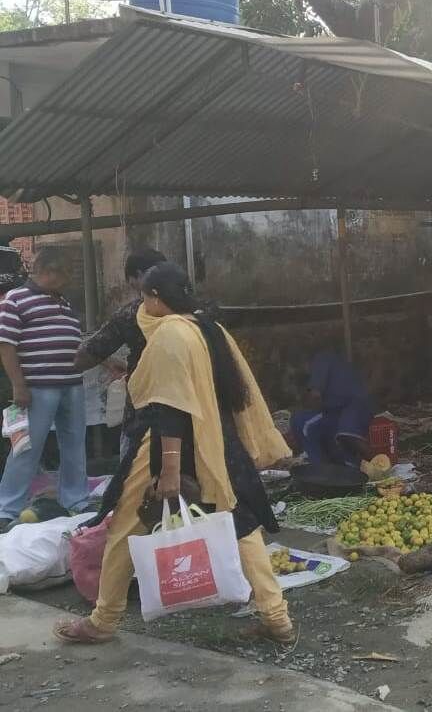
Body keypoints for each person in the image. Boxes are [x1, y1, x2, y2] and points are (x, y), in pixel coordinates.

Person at [54, 263, 294, 645]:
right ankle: (277, 617)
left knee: (125, 525)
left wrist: (168, 470)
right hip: (217, 441)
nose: (142, 305)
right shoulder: (209, 328)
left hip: (171, 444)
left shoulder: (170, 334)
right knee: (240, 524)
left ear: (155, 298)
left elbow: (170, 407)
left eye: (144, 297)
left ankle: (104, 619)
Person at [0, 249, 87, 531]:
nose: (68, 280)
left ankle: (76, 499)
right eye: (66, 273)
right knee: (27, 447)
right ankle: (7, 507)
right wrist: (18, 384)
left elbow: (73, 340)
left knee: (74, 444)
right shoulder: (15, 299)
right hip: (38, 387)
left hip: (71, 384)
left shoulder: (62, 301)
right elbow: (6, 345)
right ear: (50, 271)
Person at [75, 248, 168, 419]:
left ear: (139, 275)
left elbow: (85, 356)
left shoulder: (133, 314)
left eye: (132, 283)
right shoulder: (201, 311)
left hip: (148, 406)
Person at [290, 351, 374, 467]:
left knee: (301, 421)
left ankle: (316, 466)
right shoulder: (338, 361)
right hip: (346, 409)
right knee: (338, 437)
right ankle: (350, 465)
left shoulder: (321, 359)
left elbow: (315, 396)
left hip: (351, 406)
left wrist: (302, 407)